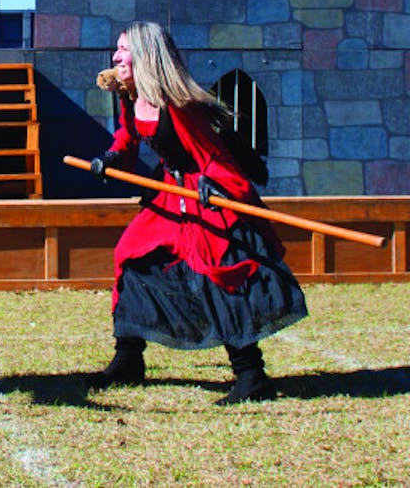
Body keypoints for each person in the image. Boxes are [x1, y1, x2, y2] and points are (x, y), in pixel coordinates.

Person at [88, 21, 307, 405]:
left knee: (212, 271)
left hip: (205, 192)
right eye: (117, 49)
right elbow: (127, 137)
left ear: (145, 54)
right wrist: (111, 157)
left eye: (124, 49)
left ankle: (251, 375)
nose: (116, 56)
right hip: (170, 193)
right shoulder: (131, 94)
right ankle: (128, 359)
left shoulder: (179, 106)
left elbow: (215, 156)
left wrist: (212, 182)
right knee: (131, 256)